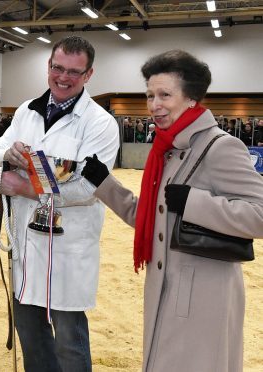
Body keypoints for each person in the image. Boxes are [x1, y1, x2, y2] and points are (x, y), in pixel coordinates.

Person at [81, 50, 263, 372]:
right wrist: (106, 184)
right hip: (165, 289)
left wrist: (194, 203)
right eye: (150, 95)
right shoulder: (168, 149)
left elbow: (259, 215)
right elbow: (153, 221)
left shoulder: (221, 147)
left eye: (165, 94)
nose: (154, 104)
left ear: (191, 99)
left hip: (205, 297)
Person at [0, 35, 119, 372]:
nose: (63, 77)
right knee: (31, 336)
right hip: (25, 245)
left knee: (69, 344)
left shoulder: (101, 124)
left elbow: (90, 188)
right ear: (48, 65)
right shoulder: (25, 110)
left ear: (89, 74)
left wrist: (22, 186)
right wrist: (8, 154)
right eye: (57, 68)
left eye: (74, 72)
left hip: (68, 250)